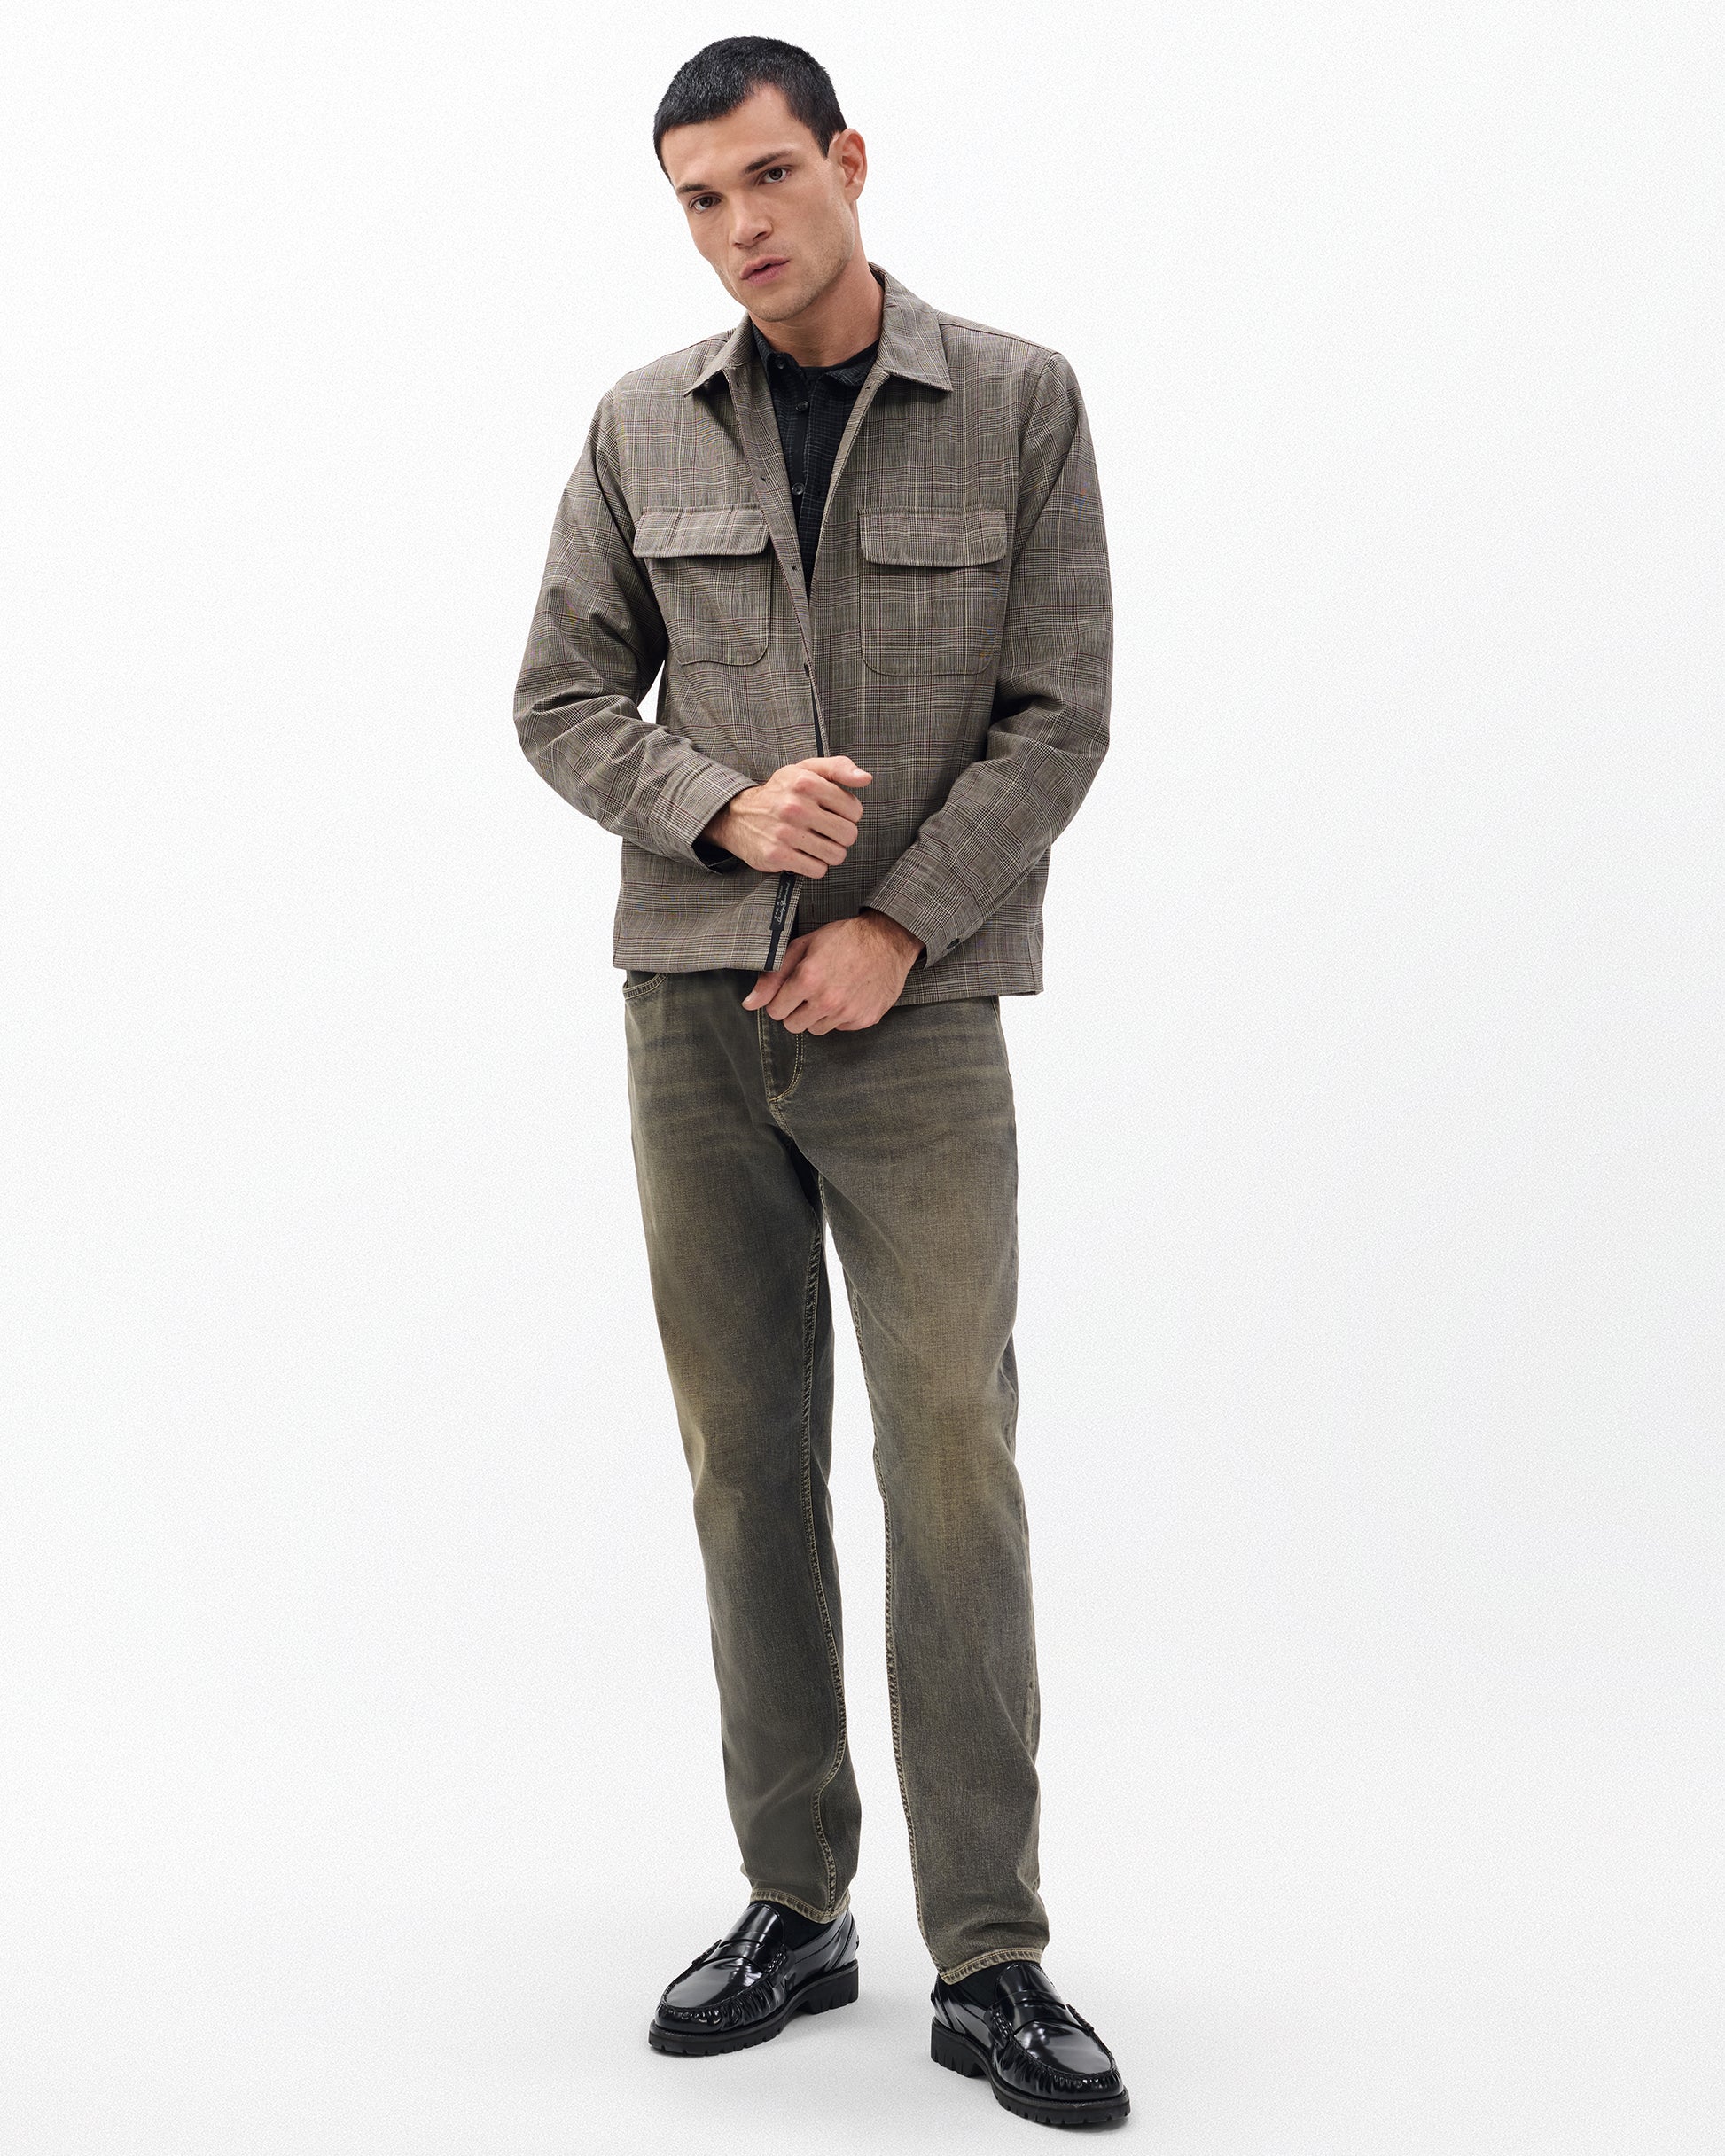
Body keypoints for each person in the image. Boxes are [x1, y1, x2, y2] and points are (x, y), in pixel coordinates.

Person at [512, 35, 1125, 2129]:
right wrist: (715, 807)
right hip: (694, 1015)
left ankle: (992, 1950)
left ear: (849, 160)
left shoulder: (1017, 399)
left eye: (767, 176)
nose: (738, 226)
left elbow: (1057, 712)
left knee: (949, 1454)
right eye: (697, 199)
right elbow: (562, 696)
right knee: (743, 1457)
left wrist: (897, 928)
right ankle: (795, 1902)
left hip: (916, 1024)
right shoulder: (637, 423)